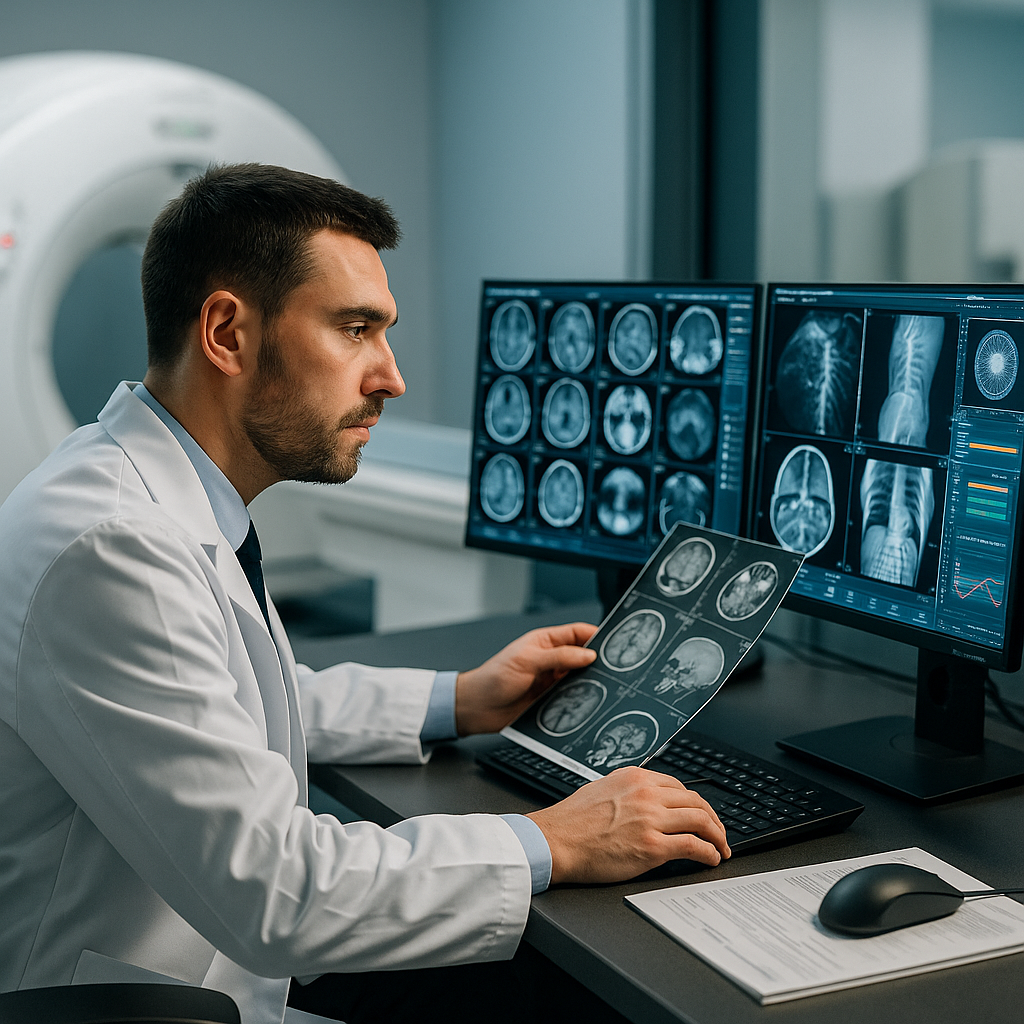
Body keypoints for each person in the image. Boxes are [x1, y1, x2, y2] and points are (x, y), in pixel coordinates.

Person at [0, 164, 729, 1024]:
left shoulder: (140, 491)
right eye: (355, 330)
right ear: (227, 334)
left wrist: (458, 700)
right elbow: (281, 894)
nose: (390, 376)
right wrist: (553, 839)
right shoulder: (115, 546)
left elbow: (220, 703)